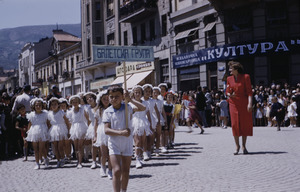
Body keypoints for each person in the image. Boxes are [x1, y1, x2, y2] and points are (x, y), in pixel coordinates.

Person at [103, 85, 146, 192]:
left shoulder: (128, 107)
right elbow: (106, 130)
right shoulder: (108, 111)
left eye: (117, 96)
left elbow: (143, 108)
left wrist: (130, 99)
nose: (113, 99)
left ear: (122, 96)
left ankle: (124, 190)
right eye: (111, 97)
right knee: (117, 170)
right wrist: (121, 132)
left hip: (127, 143)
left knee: (126, 170)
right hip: (114, 143)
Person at [226, 61, 253, 155]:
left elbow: (250, 92)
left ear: (236, 70)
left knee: (244, 124)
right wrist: (229, 94)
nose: (229, 70)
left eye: (231, 69)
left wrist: (250, 103)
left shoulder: (246, 77)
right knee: (235, 124)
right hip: (233, 104)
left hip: (244, 103)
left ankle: (244, 146)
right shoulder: (229, 78)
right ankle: (237, 146)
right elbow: (227, 91)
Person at [130, 85, 152, 168]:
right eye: (136, 92)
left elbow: (148, 114)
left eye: (139, 92)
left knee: (142, 141)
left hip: (143, 122)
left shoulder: (145, 103)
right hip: (135, 122)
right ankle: (137, 160)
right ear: (133, 93)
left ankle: (140, 156)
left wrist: (150, 124)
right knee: (137, 141)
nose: (137, 94)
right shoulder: (130, 103)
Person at [25, 98, 50, 169]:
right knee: (36, 149)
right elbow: (29, 124)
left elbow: (48, 123)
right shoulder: (31, 114)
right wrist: (28, 133)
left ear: (42, 106)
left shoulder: (45, 114)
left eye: (39, 105)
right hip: (34, 131)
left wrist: (48, 132)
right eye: (36, 105)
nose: (38, 107)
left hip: (43, 130)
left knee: (41, 148)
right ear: (34, 106)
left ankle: (45, 158)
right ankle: (37, 163)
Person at [67, 95, 90, 168]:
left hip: (82, 127)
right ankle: (78, 160)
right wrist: (69, 131)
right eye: (73, 102)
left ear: (79, 102)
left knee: (80, 146)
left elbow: (87, 119)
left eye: (76, 102)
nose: (75, 103)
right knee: (76, 146)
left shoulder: (83, 109)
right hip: (74, 128)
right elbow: (70, 122)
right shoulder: (70, 111)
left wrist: (88, 129)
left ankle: (80, 162)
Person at [94, 90, 112, 178]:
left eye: (107, 98)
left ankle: (110, 169)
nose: (106, 100)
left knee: (111, 153)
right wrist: (95, 135)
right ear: (100, 100)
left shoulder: (112, 109)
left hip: (111, 130)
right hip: (102, 131)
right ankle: (103, 166)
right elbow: (96, 124)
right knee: (104, 153)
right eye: (104, 99)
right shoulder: (98, 111)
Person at [48, 97, 70, 167]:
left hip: (61, 129)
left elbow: (67, 122)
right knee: (55, 147)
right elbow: (49, 123)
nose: (54, 106)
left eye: (55, 104)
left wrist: (68, 131)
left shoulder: (61, 112)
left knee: (60, 146)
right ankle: (58, 160)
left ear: (58, 105)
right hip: (54, 130)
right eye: (52, 105)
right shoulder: (50, 114)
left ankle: (63, 159)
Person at [84, 92, 100, 169]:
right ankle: (94, 161)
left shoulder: (99, 106)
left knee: (101, 145)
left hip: (100, 125)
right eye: (87, 99)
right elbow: (88, 119)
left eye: (90, 97)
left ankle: (100, 160)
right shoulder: (87, 109)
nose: (89, 99)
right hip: (93, 126)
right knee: (93, 144)